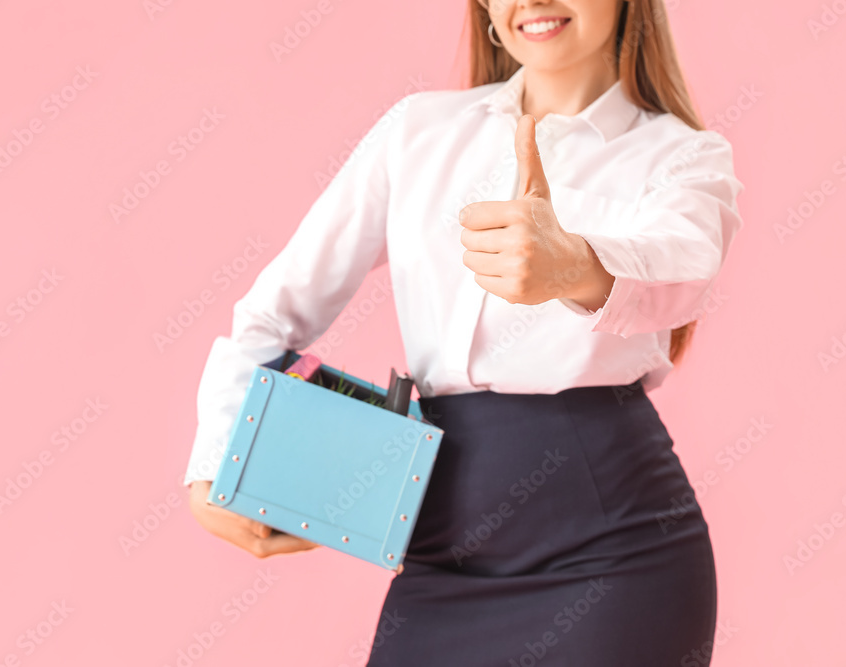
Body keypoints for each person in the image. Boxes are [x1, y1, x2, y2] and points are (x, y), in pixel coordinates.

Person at [185, 0, 744, 663]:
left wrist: (580, 265)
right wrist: (215, 461)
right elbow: (272, 315)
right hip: (440, 553)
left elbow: (685, 268)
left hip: (615, 557)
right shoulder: (416, 133)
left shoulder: (683, 158)